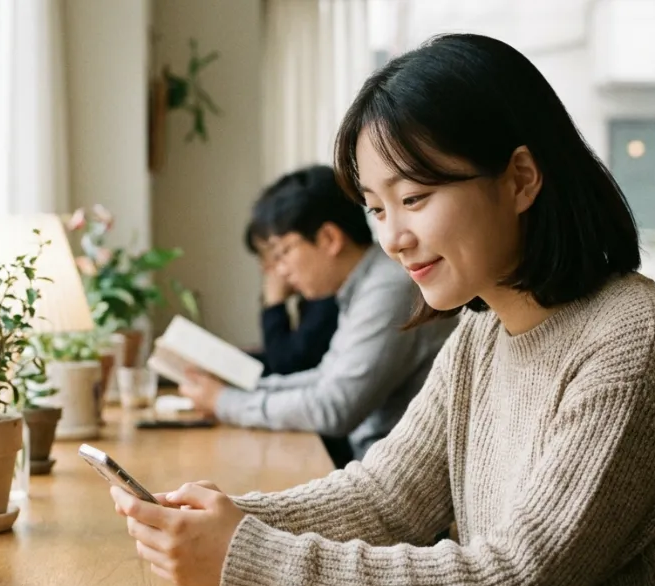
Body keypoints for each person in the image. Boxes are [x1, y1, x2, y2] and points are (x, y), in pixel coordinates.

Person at [113, 34, 655, 586]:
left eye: (414, 198)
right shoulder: (482, 330)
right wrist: (225, 517)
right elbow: (388, 498)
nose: (394, 238)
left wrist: (251, 556)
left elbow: (516, 582)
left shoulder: (636, 344)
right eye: (376, 208)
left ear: (521, 178)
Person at [178, 165, 455, 466]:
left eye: (283, 252)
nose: (280, 270)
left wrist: (225, 402)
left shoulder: (389, 287)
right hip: (368, 463)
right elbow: (325, 377)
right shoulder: (364, 283)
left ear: (329, 238)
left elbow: (333, 408)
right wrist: (237, 389)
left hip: (389, 474)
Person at [242, 218, 339, 376]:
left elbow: (288, 366)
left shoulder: (327, 297)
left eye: (280, 253)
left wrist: (274, 304)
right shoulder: (310, 299)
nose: (264, 268)